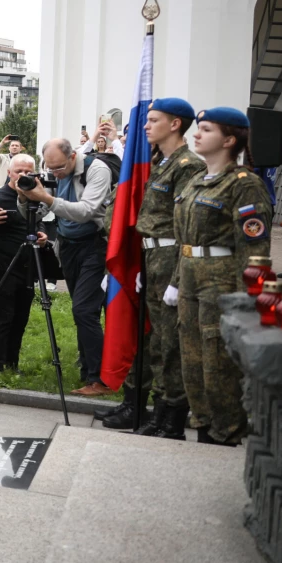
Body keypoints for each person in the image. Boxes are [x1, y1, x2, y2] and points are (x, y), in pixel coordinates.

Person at [101, 98, 205, 435]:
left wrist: (177, 276)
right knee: (147, 335)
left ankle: (169, 419)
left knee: (167, 341)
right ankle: (142, 408)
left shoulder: (187, 165)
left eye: (154, 119)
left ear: (175, 124)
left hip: (170, 259)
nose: (146, 125)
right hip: (147, 257)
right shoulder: (156, 163)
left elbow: (186, 224)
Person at [167, 107, 270, 446]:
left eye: (206, 129)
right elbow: (185, 239)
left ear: (228, 140)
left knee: (218, 362)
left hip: (221, 283)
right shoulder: (197, 180)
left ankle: (226, 432)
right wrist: (176, 280)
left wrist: (251, 297)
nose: (196, 134)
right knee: (192, 360)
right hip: (190, 278)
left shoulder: (244, 185)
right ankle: (203, 423)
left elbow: (254, 247)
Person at [17, 138, 115, 395]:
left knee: (83, 309)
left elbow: (86, 211)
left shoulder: (97, 169)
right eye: (51, 169)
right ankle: (88, 370)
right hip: (68, 246)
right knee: (83, 312)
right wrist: (25, 199)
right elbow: (37, 214)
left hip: (95, 245)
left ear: (73, 157)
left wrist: (46, 198)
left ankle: (100, 379)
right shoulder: (58, 173)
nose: (56, 174)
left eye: (59, 168)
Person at [0, 155, 52, 371]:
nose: (23, 175)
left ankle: (12, 364)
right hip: (4, 266)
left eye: (27, 171)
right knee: (4, 316)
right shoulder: (0, 197)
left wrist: (43, 236)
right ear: (10, 173)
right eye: (19, 171)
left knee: (21, 317)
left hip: (28, 266)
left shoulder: (36, 196)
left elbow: (40, 222)